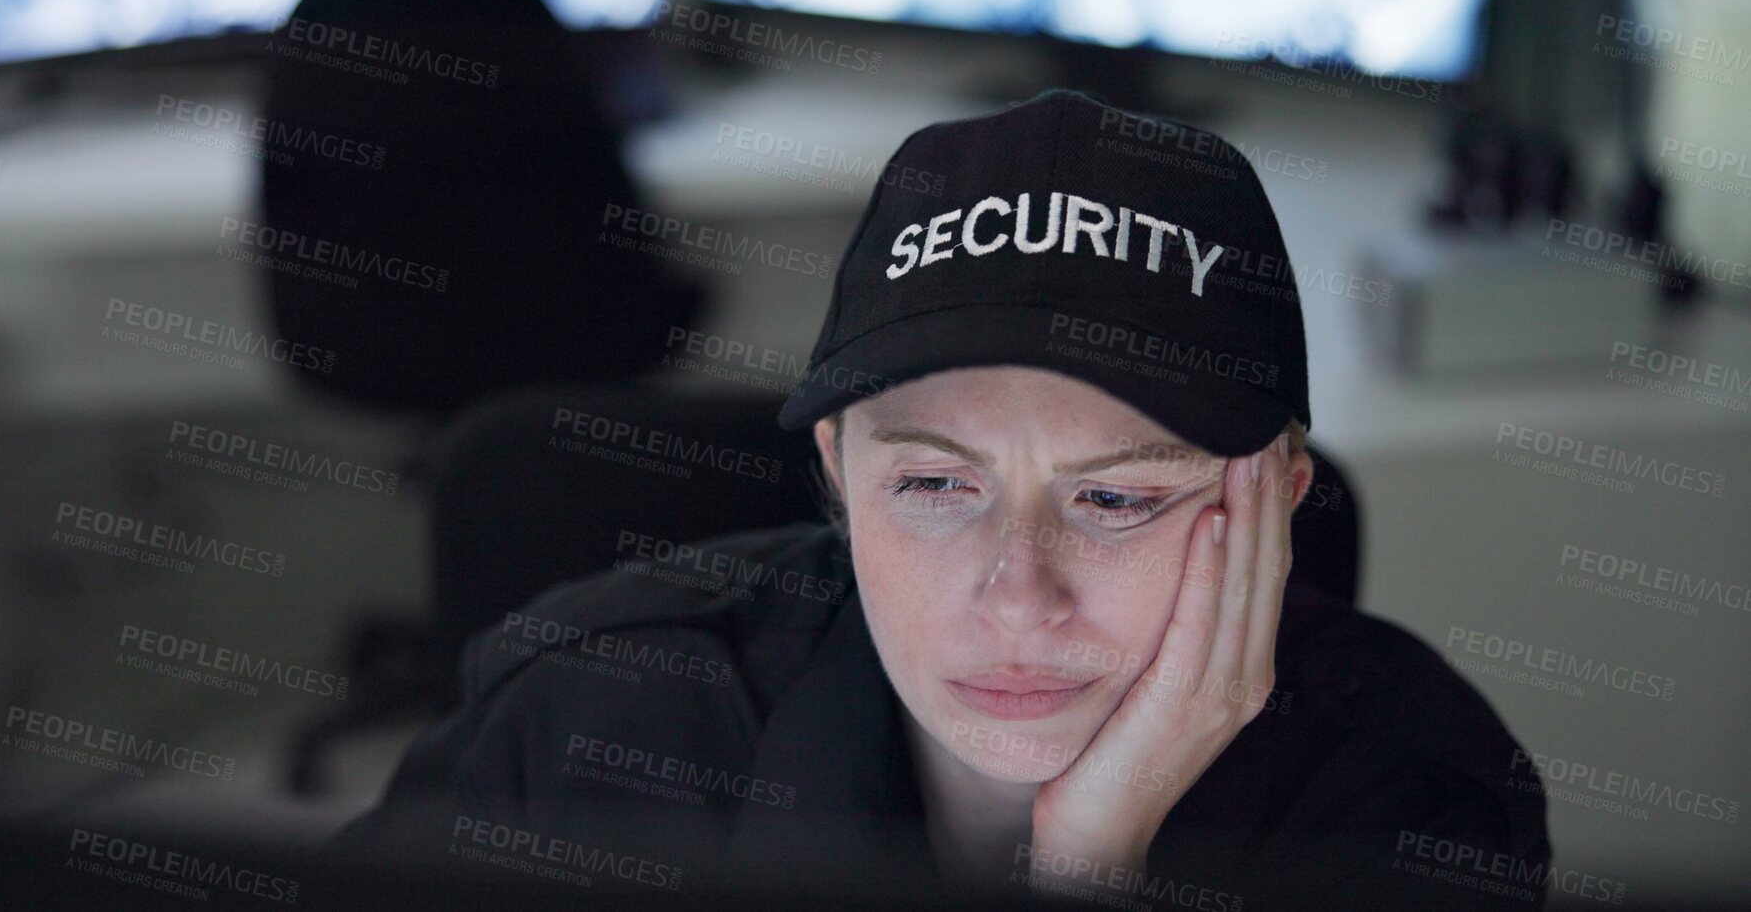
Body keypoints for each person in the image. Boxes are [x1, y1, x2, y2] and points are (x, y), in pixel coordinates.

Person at [328, 90, 1551, 910]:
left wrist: (1088, 871)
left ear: (1279, 500)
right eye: (931, 484)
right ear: (834, 470)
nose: (1019, 593)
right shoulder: (580, 731)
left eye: (1118, 498)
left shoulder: (1407, 810)